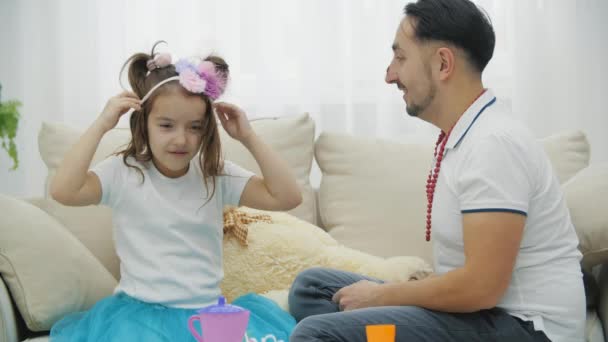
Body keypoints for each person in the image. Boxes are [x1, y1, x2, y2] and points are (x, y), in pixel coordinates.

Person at [288, 0, 585, 341]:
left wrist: (382, 296)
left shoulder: (493, 144)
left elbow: (481, 288)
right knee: (312, 288)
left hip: (525, 327)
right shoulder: (463, 135)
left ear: (443, 64)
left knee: (316, 333)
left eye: (400, 58)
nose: (390, 75)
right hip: (483, 315)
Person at [49, 41, 302, 341]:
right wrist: (102, 124)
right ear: (144, 124)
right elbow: (64, 190)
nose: (181, 139)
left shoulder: (214, 174)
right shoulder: (124, 172)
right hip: (139, 317)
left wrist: (248, 136)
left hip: (206, 313)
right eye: (166, 125)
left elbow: (287, 197)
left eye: (194, 127)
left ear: (206, 130)